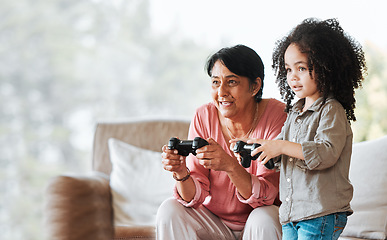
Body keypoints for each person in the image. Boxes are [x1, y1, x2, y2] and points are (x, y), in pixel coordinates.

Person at [247, 18, 367, 240]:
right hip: (293, 213)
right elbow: (281, 155)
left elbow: (325, 153)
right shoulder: (294, 112)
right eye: (288, 69)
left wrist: (281, 145)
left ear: (325, 67)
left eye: (301, 68)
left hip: (320, 213)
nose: (293, 76)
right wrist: (259, 148)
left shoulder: (331, 110)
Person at [156, 44, 287, 240]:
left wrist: (230, 166)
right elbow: (194, 196)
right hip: (215, 222)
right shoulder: (203, 115)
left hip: (260, 218)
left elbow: (267, 196)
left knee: (264, 218)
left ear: (255, 86)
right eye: (215, 82)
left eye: (231, 82)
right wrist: (181, 173)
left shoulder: (277, 115)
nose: (222, 92)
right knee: (170, 209)